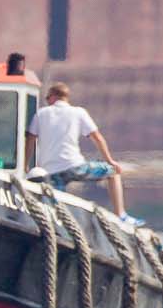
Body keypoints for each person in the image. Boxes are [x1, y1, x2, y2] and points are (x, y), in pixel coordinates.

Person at [26, 82, 129, 217]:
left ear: (52, 97)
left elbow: (30, 140)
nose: (47, 101)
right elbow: (98, 138)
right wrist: (110, 161)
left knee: (58, 207)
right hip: (75, 167)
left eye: (47, 98)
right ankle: (120, 214)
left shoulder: (41, 114)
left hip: (51, 171)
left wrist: (25, 165)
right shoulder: (78, 112)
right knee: (113, 173)